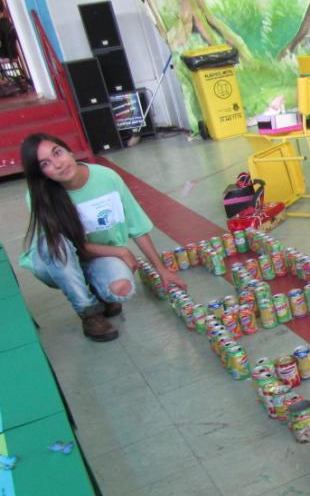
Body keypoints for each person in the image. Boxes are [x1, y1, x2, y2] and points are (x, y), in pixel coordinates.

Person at [19, 133, 186, 342]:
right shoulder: (38, 196)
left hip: (97, 256)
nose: (58, 164)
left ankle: (100, 291)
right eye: (46, 164)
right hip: (54, 263)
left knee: (121, 289)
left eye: (57, 153)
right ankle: (89, 313)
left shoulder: (107, 178)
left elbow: (137, 225)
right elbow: (65, 248)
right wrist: (121, 251)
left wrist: (161, 270)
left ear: (69, 151)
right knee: (57, 245)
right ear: (41, 174)